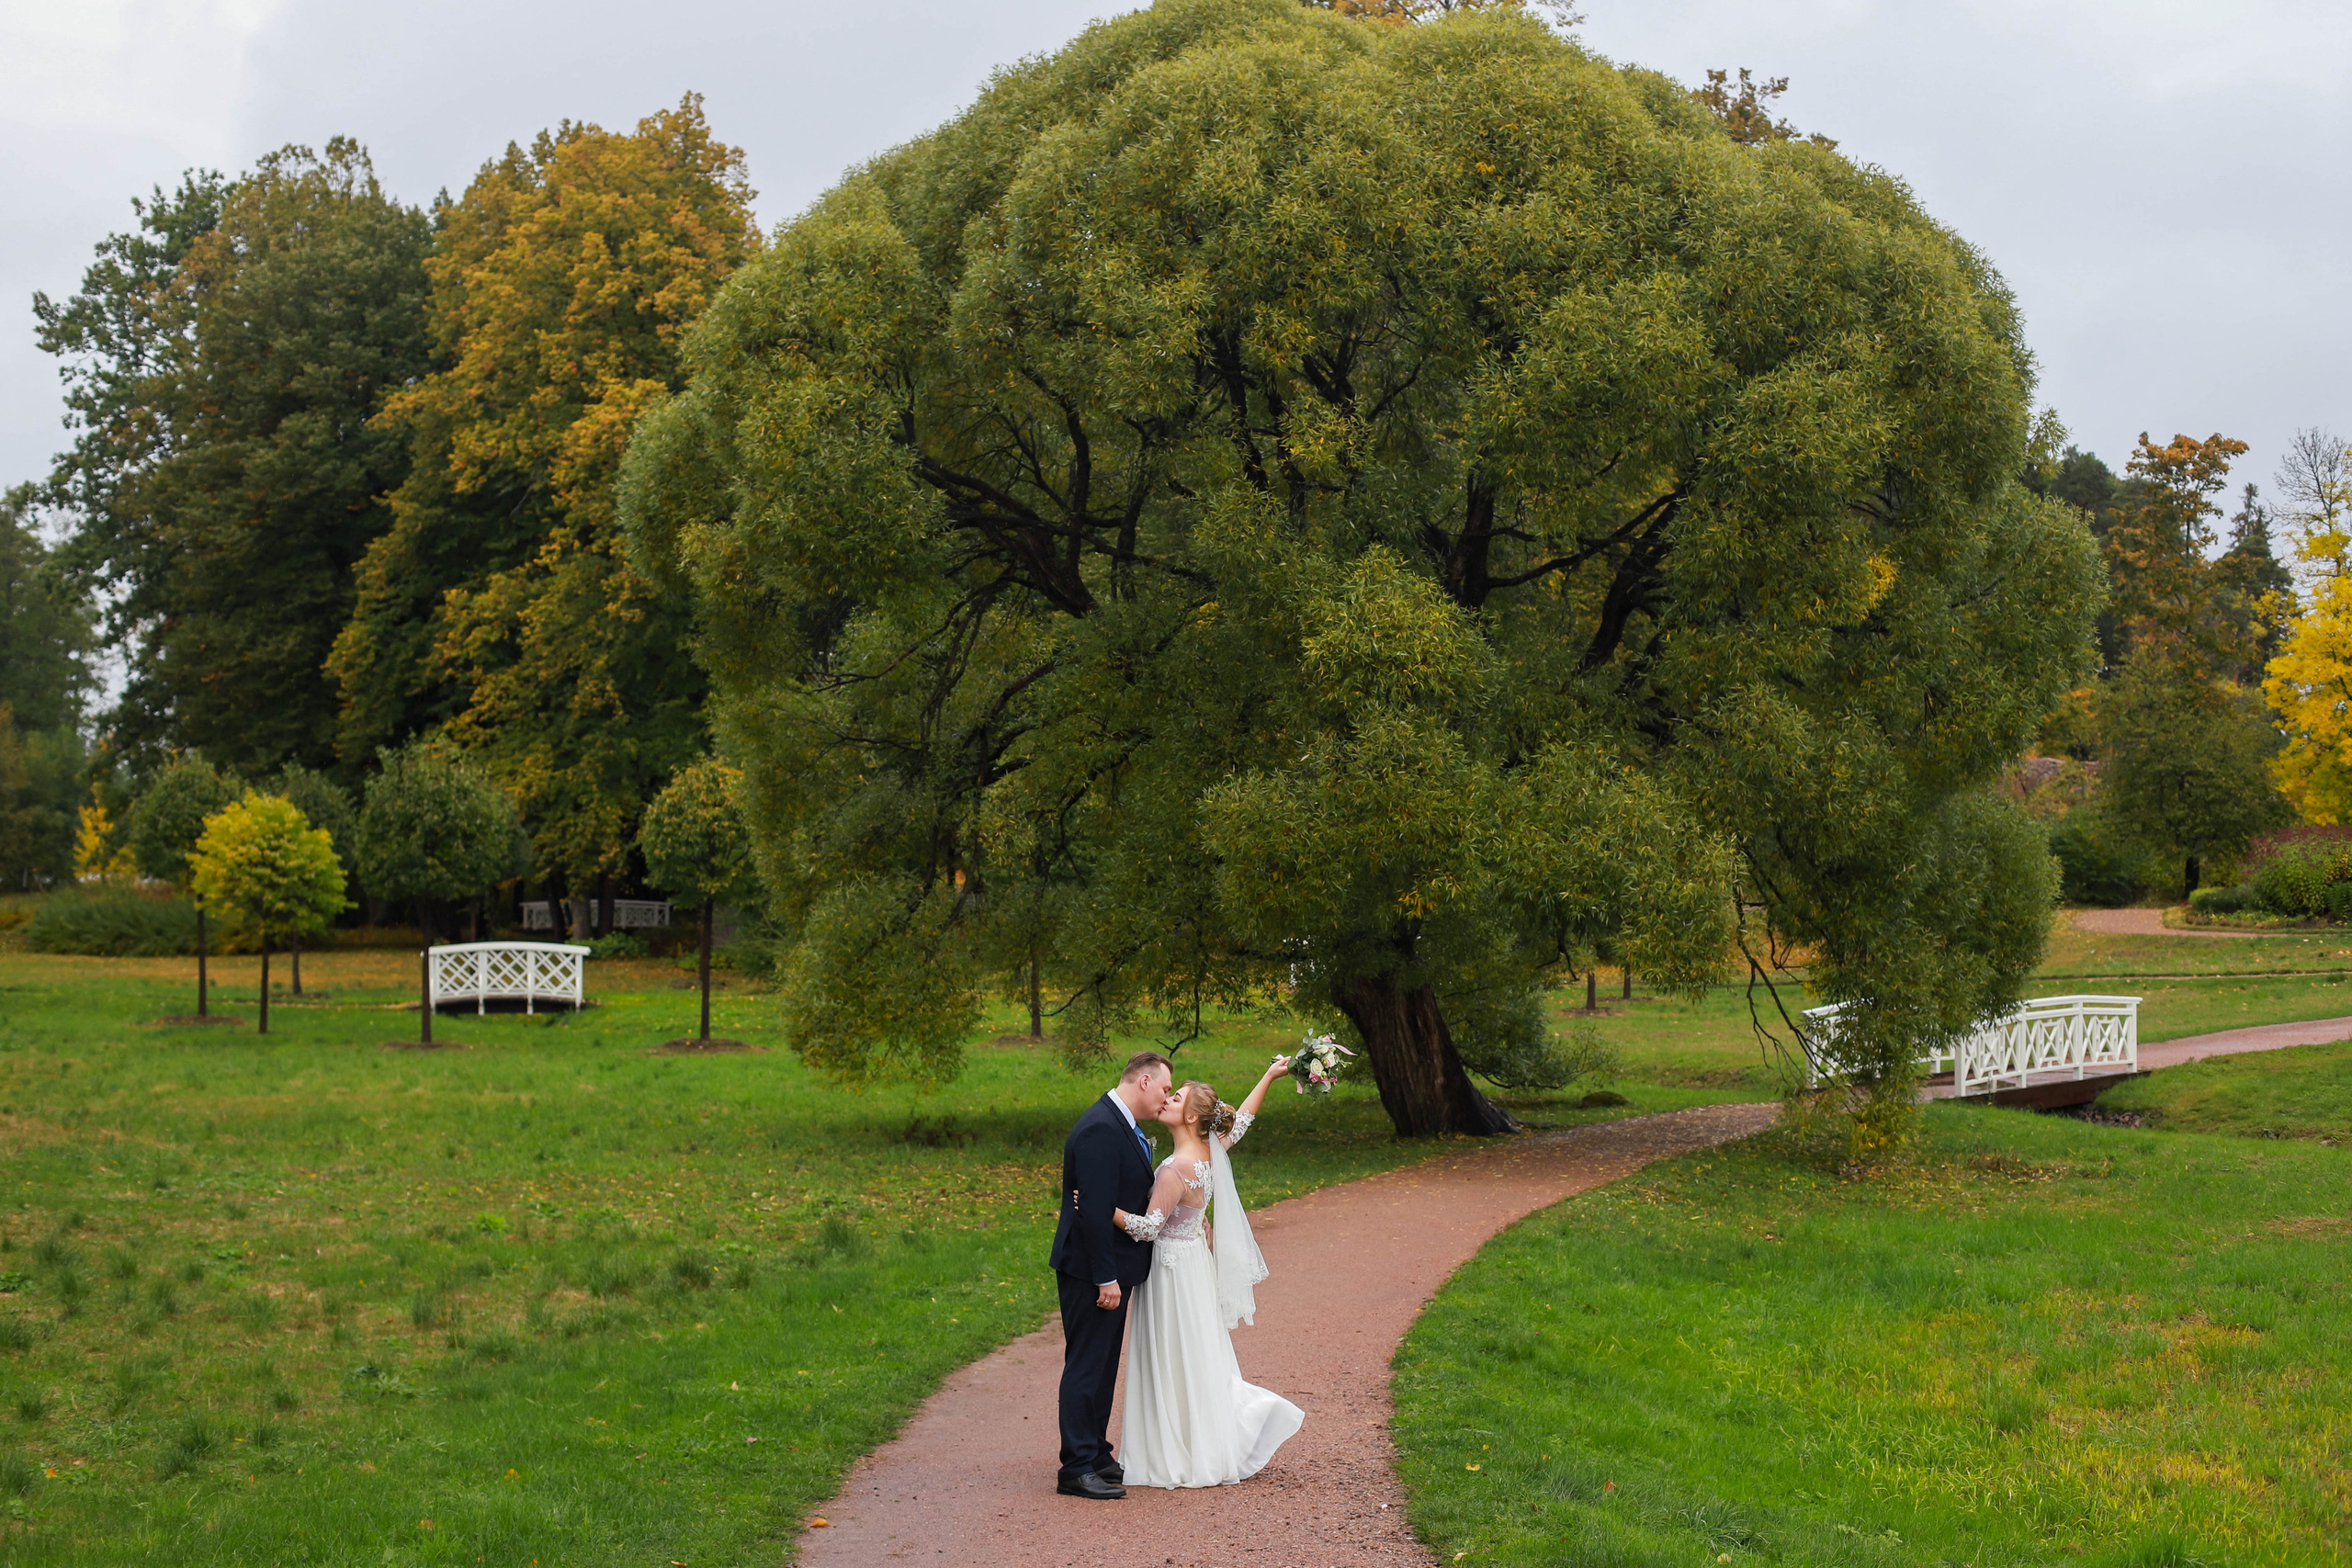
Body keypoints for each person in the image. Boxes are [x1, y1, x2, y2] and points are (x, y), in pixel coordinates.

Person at [1110, 1056, 1305, 1488]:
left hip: (1171, 1272)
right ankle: (1206, 1437)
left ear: (1192, 1117)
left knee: (1174, 1355)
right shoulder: (1210, 1151)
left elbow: (1146, 1229)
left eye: (1175, 1097)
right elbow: (1244, 1119)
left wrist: (1107, 1208)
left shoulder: (1178, 1167)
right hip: (1194, 1264)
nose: (1167, 1098)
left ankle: (1176, 1447)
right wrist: (1269, 1075)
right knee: (1195, 1352)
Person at [1048, 1049, 1173, 1500]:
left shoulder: (1123, 1125)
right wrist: (1105, 1278)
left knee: (1101, 1367)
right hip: (1090, 1271)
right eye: (1163, 1088)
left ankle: (1097, 1453)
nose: (1167, 1097)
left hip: (1110, 1270)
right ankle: (1076, 1467)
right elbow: (1094, 1213)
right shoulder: (1101, 1129)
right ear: (1142, 1081)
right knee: (1086, 1366)